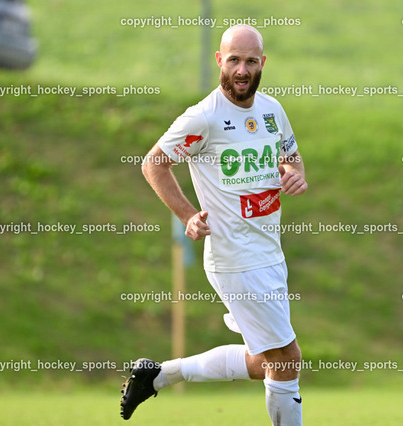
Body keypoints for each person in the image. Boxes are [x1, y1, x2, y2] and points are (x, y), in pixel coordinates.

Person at [120, 24, 307, 425]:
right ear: (220, 60)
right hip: (235, 257)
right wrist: (187, 215)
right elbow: (154, 164)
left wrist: (294, 173)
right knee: (287, 358)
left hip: (269, 254)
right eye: (234, 60)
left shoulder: (271, 111)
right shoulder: (204, 117)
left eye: (251, 61)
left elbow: (291, 156)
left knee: (264, 362)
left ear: (262, 63)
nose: (242, 70)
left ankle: (157, 376)